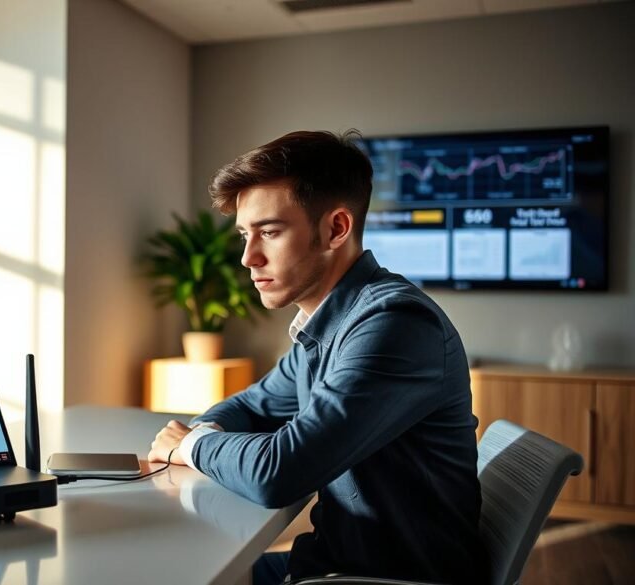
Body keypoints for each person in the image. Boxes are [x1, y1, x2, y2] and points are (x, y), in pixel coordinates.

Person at [147, 130, 488, 584]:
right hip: (332, 562)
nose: (248, 258)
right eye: (246, 235)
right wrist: (205, 434)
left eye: (269, 232)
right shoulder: (327, 326)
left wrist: (190, 445)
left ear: (335, 229)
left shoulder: (395, 324)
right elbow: (251, 406)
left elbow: (279, 473)